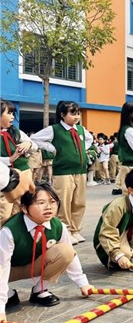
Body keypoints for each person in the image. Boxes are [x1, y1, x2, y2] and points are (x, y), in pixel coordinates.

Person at [0, 183, 92, 322]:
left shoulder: (58, 226)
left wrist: (83, 284)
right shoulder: (9, 231)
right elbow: (2, 266)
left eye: (52, 202)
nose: (48, 207)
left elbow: (71, 256)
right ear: (24, 208)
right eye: (41, 203)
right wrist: (1, 307)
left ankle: (40, 290)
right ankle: (8, 294)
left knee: (66, 251)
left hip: (34, 265)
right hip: (9, 269)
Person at [31, 101, 93, 244]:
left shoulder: (81, 130)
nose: (76, 116)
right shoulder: (54, 129)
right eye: (73, 113)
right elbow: (34, 138)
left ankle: (76, 230)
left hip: (80, 171)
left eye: (78, 113)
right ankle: (66, 230)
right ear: (63, 115)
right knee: (64, 202)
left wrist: (83, 150)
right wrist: (52, 148)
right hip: (63, 172)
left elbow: (89, 140)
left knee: (79, 202)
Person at [1, 100, 37, 225]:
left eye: (13, 113)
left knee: (20, 207)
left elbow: (35, 146)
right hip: (5, 178)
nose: (12, 117)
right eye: (9, 113)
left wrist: (28, 144)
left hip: (24, 173)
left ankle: (15, 233)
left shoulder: (15, 132)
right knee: (4, 211)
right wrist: (9, 159)